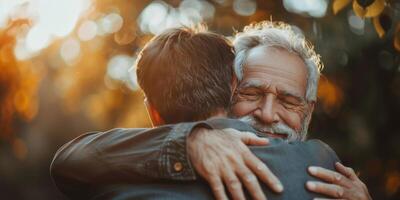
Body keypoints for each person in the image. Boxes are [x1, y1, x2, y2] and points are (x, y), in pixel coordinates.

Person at [51, 22, 371, 200]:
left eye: (288, 101)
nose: (268, 114)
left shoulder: (327, 175)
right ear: (230, 86)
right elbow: (70, 159)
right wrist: (189, 141)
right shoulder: (149, 158)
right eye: (252, 93)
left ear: (309, 111)